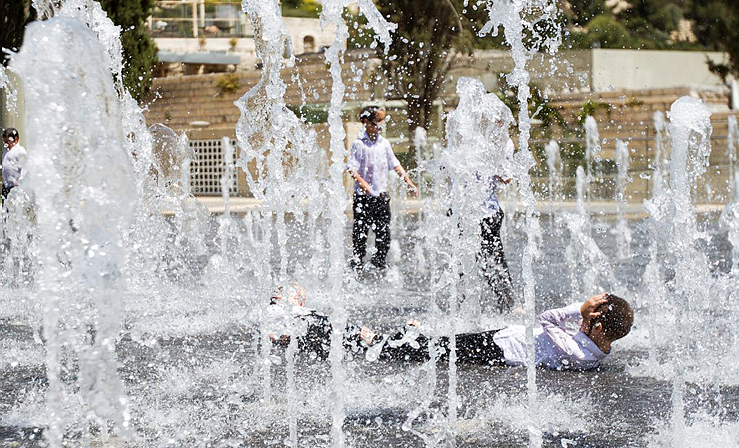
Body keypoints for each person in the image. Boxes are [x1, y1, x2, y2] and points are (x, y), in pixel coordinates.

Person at [269, 290, 633, 371]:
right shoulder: (593, 348)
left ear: (597, 324)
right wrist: (588, 318)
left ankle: (302, 323)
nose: (583, 317)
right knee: (413, 344)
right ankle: (412, 336)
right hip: (494, 343)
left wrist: (577, 309)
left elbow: (548, 319)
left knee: (387, 350)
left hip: (492, 351)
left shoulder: (579, 351)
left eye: (590, 316)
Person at [347, 106, 417, 275]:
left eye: (382, 123)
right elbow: (352, 169)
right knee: (360, 232)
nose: (380, 126)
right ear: (366, 122)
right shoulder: (358, 144)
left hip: (381, 196)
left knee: (383, 232)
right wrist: (364, 185)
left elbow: (395, 164)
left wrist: (408, 182)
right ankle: (358, 262)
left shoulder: (384, 143)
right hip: (363, 198)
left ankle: (379, 262)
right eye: (377, 123)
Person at [478, 136, 518, 313]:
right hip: (463, 213)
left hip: (487, 213)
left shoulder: (505, 143)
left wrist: (486, 164)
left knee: (492, 258)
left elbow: (507, 177)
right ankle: (463, 306)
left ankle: (508, 301)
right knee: (465, 262)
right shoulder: (468, 134)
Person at [2, 128, 27, 200]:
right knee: (6, 207)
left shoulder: (20, 150)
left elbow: (25, 167)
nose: (6, 142)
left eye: (8, 140)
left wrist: (20, 180)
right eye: (5, 140)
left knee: (13, 207)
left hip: (15, 186)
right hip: (6, 185)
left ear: (15, 139)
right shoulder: (6, 151)